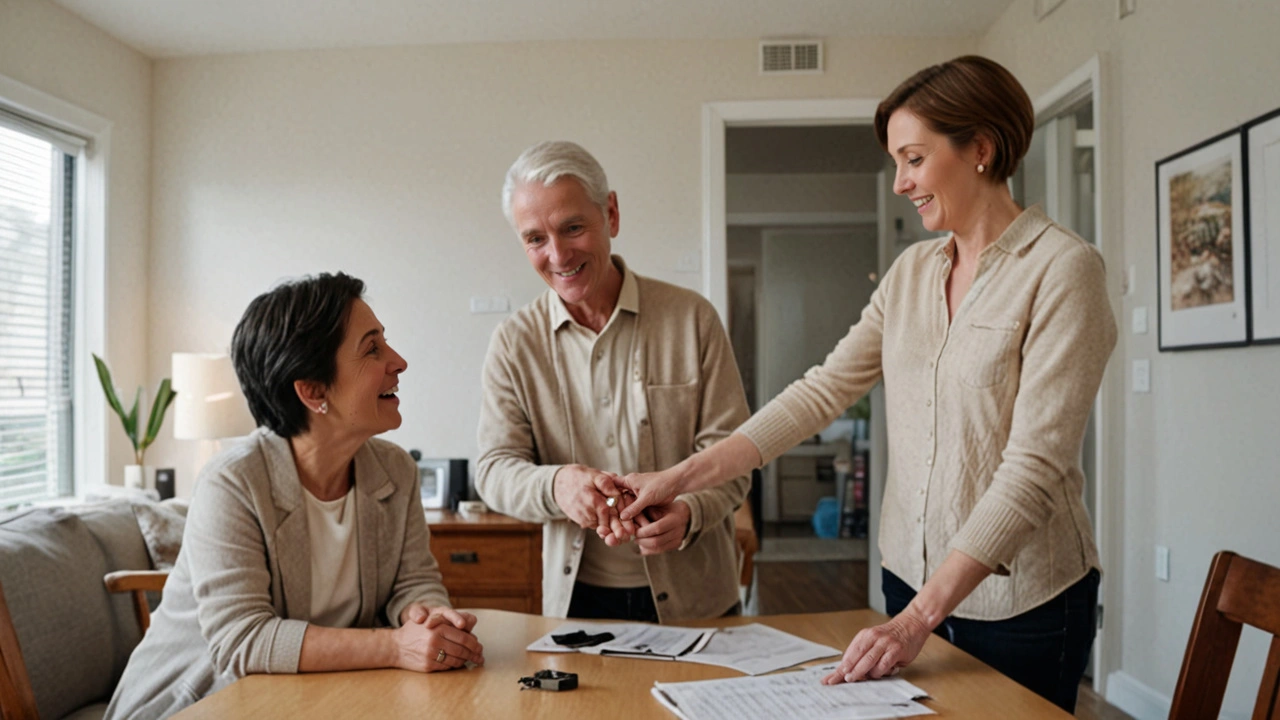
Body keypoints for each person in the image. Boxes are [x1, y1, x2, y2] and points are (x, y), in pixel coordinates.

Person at [611, 56, 1116, 712]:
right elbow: (820, 391)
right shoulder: (910, 272)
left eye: (913, 158)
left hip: (1022, 602)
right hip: (907, 578)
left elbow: (1033, 470)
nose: (901, 182)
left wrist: (916, 622)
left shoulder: (1063, 270)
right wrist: (678, 477)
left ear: (981, 149)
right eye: (896, 163)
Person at [106, 272, 484, 719]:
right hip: (198, 702)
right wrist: (395, 646)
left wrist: (429, 620)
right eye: (372, 349)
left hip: (315, 700)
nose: (398, 362)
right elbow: (243, 639)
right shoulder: (233, 483)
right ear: (312, 390)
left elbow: (413, 581)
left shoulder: (395, 470)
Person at [474, 141, 750, 624]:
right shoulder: (514, 342)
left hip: (699, 600)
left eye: (573, 228)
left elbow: (734, 458)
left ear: (612, 214)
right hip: (577, 604)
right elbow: (494, 471)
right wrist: (556, 484)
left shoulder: (693, 319)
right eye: (535, 239)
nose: (557, 255)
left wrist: (688, 511)